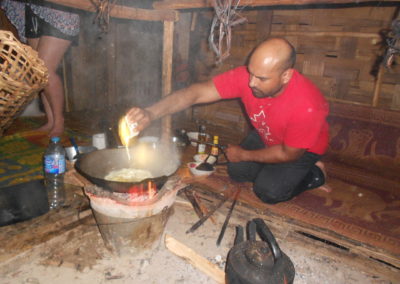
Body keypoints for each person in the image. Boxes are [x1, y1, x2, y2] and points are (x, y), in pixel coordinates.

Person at [125, 37, 330, 204]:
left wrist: (244, 154)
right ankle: (276, 170)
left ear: (286, 76)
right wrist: (151, 113)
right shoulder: (249, 77)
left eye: (262, 79)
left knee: (268, 191)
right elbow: (196, 93)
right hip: (268, 137)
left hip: (300, 149)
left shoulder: (307, 105)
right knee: (238, 171)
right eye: (251, 73)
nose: (251, 82)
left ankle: (313, 173)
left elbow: (288, 153)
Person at [1, 1, 80, 137]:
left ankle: (59, 122)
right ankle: (51, 121)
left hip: (58, 10)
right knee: (38, 72)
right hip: (32, 9)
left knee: (45, 69)